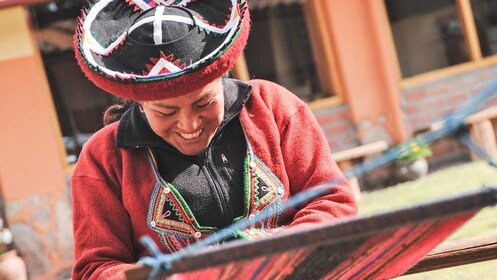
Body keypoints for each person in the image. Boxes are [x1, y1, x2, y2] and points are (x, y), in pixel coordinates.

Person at [71, 0, 358, 278]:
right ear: (140, 102)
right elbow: (96, 269)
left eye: (203, 103)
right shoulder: (104, 159)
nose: (189, 124)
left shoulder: (272, 108)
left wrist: (274, 251)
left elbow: (333, 203)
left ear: (221, 77)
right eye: (166, 112)